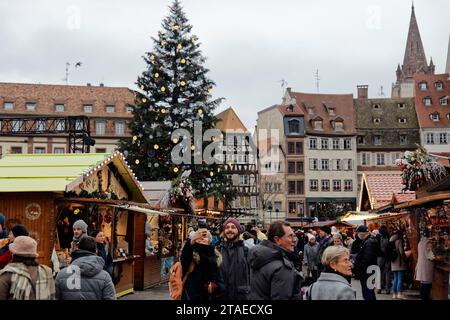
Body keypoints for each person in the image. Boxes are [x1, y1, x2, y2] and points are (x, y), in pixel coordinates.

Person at [248, 221, 302, 300]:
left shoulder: (260, 257)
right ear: (277, 240)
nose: (294, 240)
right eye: (290, 236)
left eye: (294, 236)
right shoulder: (282, 267)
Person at [55, 236, 116, 300]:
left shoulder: (61, 275)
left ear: (78, 249)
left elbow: (55, 297)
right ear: (96, 251)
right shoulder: (105, 277)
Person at [180, 228, 225, 300]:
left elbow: (221, 284)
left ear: (209, 240)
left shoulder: (216, 259)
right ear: (195, 240)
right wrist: (191, 240)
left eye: (205, 237)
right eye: (199, 237)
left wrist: (216, 287)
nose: (202, 239)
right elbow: (184, 257)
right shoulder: (191, 256)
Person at [218, 218, 250, 300]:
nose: (230, 230)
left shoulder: (246, 251)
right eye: (227, 227)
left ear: (238, 231)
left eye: (233, 227)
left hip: (241, 297)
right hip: (222, 297)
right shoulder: (217, 251)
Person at [353, 225, 379, 300]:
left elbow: (367, 259)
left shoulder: (368, 242)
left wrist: (359, 268)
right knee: (370, 292)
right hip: (370, 270)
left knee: (367, 293)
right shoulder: (370, 241)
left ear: (361, 233)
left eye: (358, 233)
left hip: (367, 272)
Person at [414, 229, 435, 300]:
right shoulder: (428, 243)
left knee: (423, 284)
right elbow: (430, 256)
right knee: (427, 285)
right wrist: (437, 257)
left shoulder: (420, 242)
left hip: (421, 266)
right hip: (427, 267)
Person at [390, 230, 407, 299]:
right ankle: (399, 293)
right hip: (399, 262)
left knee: (395, 278)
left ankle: (394, 294)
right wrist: (405, 258)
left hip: (393, 262)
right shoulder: (399, 240)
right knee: (400, 278)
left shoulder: (391, 240)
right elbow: (401, 252)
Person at [377, 225, 391, 294]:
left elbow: (376, 247)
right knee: (387, 273)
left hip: (380, 257)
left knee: (379, 272)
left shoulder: (378, 236)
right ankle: (387, 289)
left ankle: (379, 288)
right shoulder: (389, 236)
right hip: (387, 257)